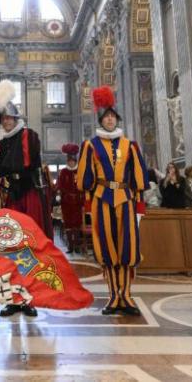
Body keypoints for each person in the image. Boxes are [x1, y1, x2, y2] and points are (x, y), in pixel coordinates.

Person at [0, 80, 49, 317]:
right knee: (11, 248)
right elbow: (8, 168)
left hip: (29, 197)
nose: (6, 121)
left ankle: (30, 299)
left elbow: (20, 163)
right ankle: (15, 299)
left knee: (30, 247)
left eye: (9, 118)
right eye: (3, 119)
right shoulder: (5, 143)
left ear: (16, 118)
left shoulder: (29, 135)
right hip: (14, 197)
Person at [77, 86, 148, 316]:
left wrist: (139, 206)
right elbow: (85, 178)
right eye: (106, 117)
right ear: (101, 119)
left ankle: (126, 296)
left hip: (125, 200)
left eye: (113, 117)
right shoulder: (91, 145)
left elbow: (138, 177)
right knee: (107, 250)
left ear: (116, 120)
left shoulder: (130, 145)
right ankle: (113, 296)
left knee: (127, 250)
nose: (109, 119)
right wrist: (88, 204)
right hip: (101, 199)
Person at [57, 143, 84, 253]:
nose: (71, 162)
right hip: (66, 202)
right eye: (69, 161)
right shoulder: (63, 172)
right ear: (67, 161)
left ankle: (77, 246)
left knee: (77, 224)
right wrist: (65, 194)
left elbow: (83, 186)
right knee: (68, 224)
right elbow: (60, 185)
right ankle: (70, 246)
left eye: (73, 161)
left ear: (75, 161)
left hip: (78, 202)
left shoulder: (80, 171)